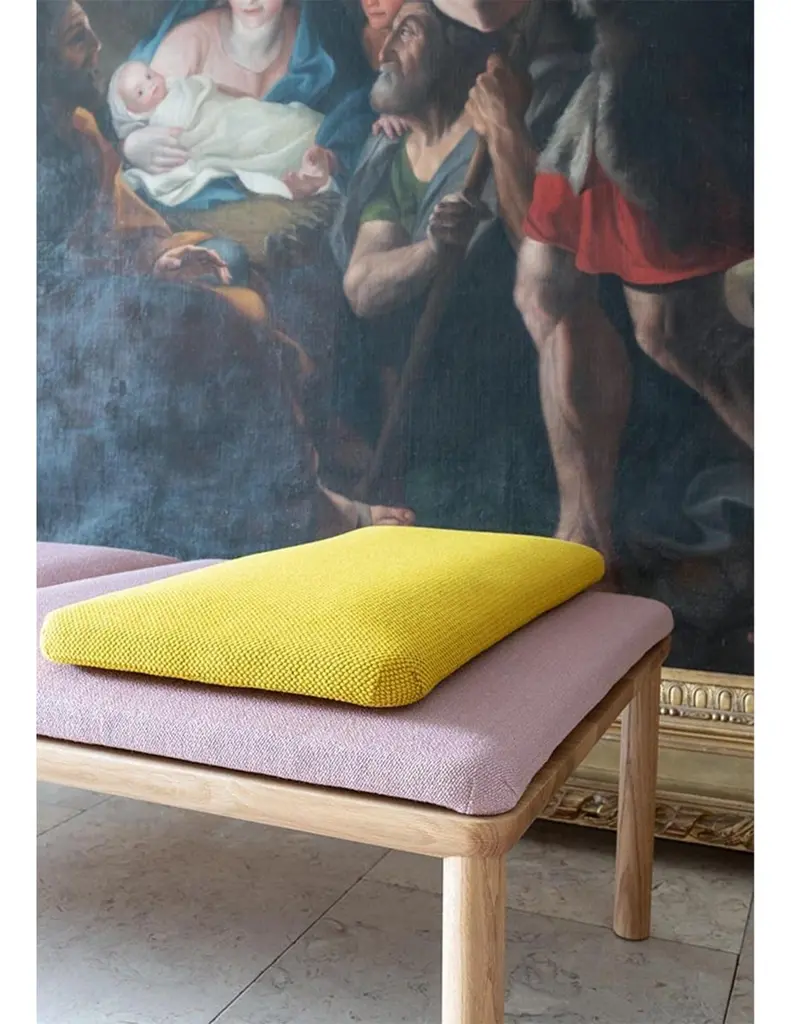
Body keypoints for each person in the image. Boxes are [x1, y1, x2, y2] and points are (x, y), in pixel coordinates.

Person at [37, 0, 414, 562]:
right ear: (38, 58)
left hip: (98, 296)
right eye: (76, 40)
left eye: (91, 35)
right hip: (48, 321)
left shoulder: (82, 130)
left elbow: (119, 225)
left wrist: (158, 257)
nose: (96, 51)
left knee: (232, 295)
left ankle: (289, 497)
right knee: (212, 321)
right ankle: (304, 509)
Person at [507, 0, 753, 573]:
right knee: (545, 289)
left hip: (664, 74)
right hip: (601, 82)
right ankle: (585, 536)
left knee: (674, 331)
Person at [328, 0, 587, 502]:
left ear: (457, 46)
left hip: (509, 413)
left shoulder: (530, 111)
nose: (385, 51)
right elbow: (362, 285)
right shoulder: (393, 154)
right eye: (389, 33)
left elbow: (550, 259)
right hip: (422, 422)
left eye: (408, 32)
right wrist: (433, 250)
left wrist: (506, 131)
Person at [123, 0, 377, 202]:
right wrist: (132, 144)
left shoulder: (319, 40)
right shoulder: (189, 42)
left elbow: (354, 113)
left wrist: (327, 162)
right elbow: (138, 109)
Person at [108, 60, 330, 206]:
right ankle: (300, 159)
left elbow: (214, 92)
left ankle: (309, 136)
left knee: (275, 119)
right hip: (221, 136)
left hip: (234, 112)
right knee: (260, 140)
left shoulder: (179, 85)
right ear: (133, 112)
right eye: (140, 92)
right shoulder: (160, 122)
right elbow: (190, 137)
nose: (151, 86)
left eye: (149, 76)